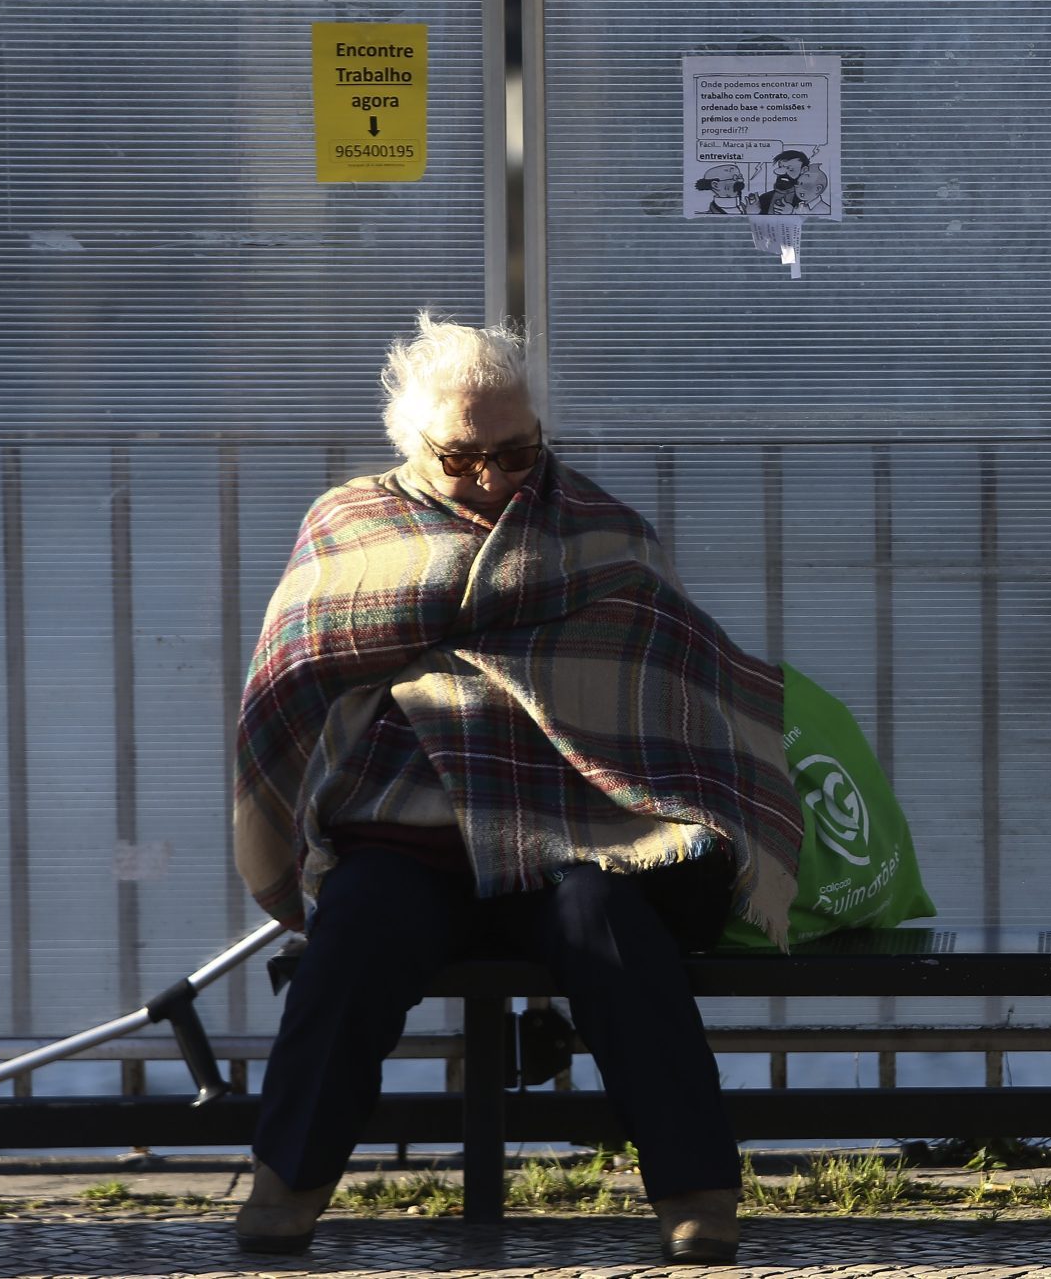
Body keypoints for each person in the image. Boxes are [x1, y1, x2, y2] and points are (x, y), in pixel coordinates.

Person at [231, 312, 801, 1264]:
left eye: (518, 450)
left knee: (615, 936)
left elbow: (666, 672)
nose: (495, 477)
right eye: (464, 458)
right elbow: (287, 683)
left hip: (576, 828)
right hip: (405, 829)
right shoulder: (348, 521)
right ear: (412, 443)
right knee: (355, 938)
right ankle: (285, 1186)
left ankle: (699, 1193)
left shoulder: (602, 524)